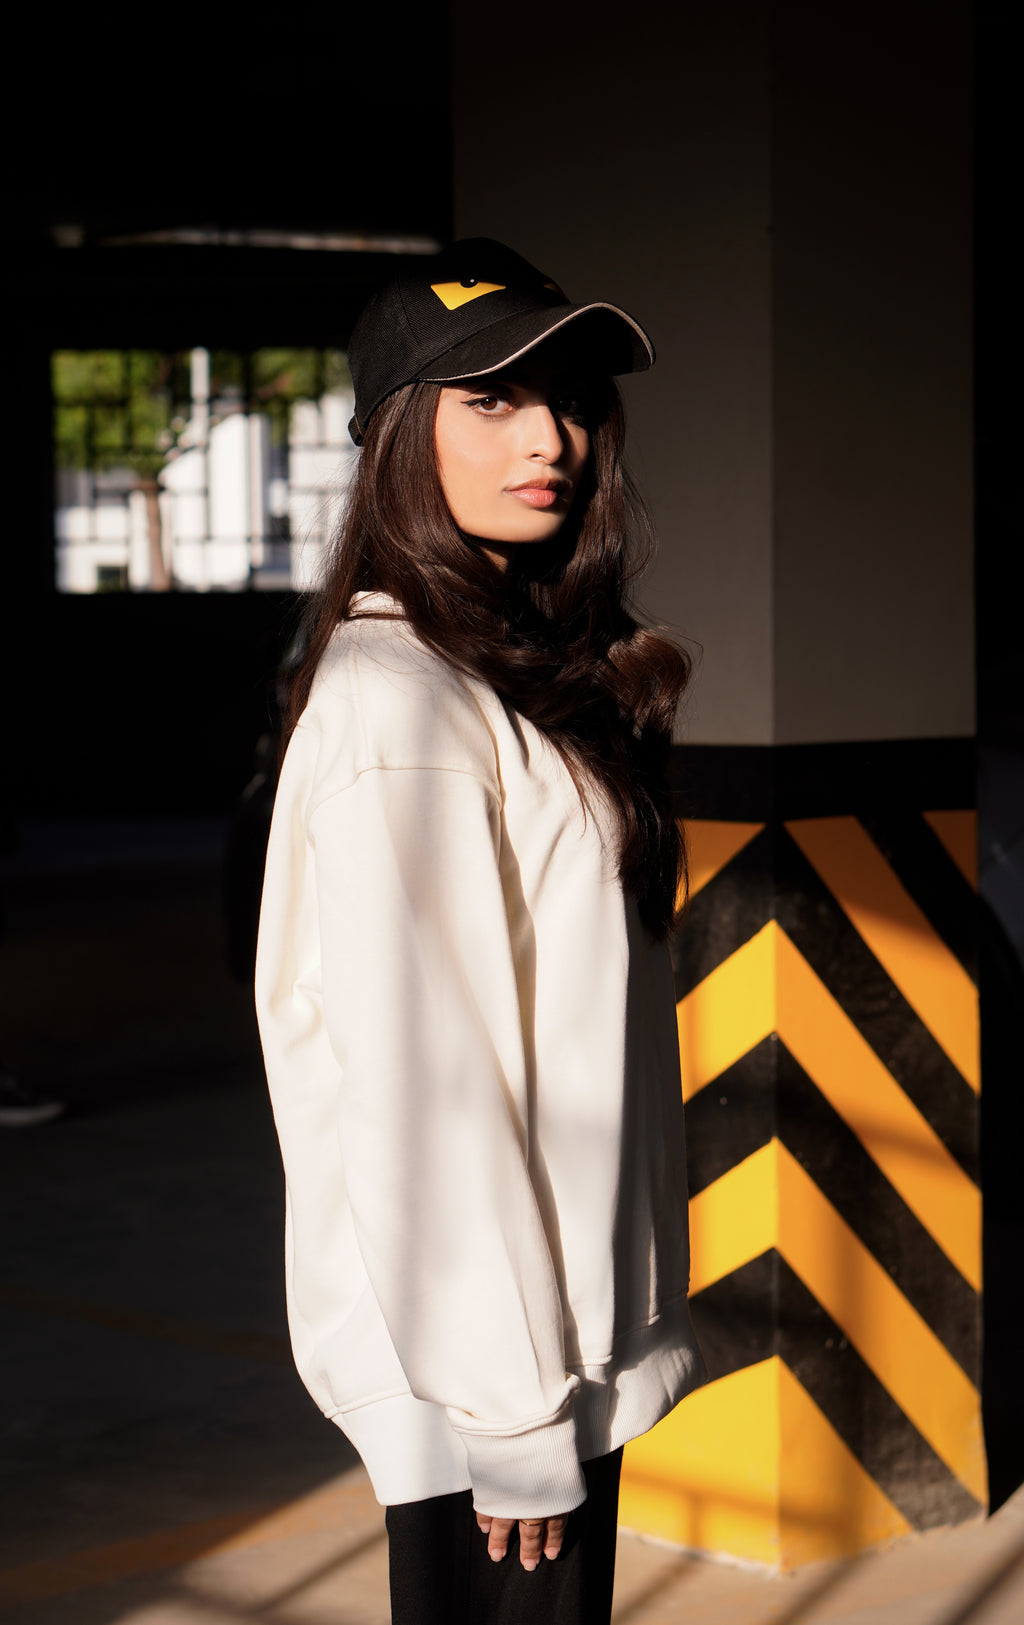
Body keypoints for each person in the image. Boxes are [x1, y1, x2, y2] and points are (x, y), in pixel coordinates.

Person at [255, 238, 705, 1624]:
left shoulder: (505, 676)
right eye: (492, 399)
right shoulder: (399, 702)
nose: (551, 438)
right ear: (402, 434)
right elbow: (425, 1091)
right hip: (490, 1401)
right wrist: (511, 1420)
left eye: (565, 398)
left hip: (545, 1363)